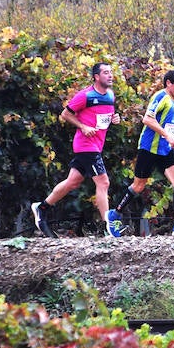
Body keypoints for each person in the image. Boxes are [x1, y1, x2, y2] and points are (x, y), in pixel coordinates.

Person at [31, 62, 123, 238]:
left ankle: (42, 207)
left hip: (96, 145)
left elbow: (104, 116)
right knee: (103, 183)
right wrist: (83, 127)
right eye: (105, 73)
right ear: (96, 77)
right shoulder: (85, 95)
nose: (110, 75)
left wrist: (114, 118)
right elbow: (65, 114)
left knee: (72, 182)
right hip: (86, 146)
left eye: (111, 72)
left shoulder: (110, 95)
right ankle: (108, 227)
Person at [109, 68, 174, 236]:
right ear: (168, 83)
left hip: (165, 149)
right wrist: (168, 135)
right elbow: (147, 119)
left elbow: (166, 126)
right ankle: (115, 214)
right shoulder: (161, 97)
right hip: (149, 148)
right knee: (138, 186)